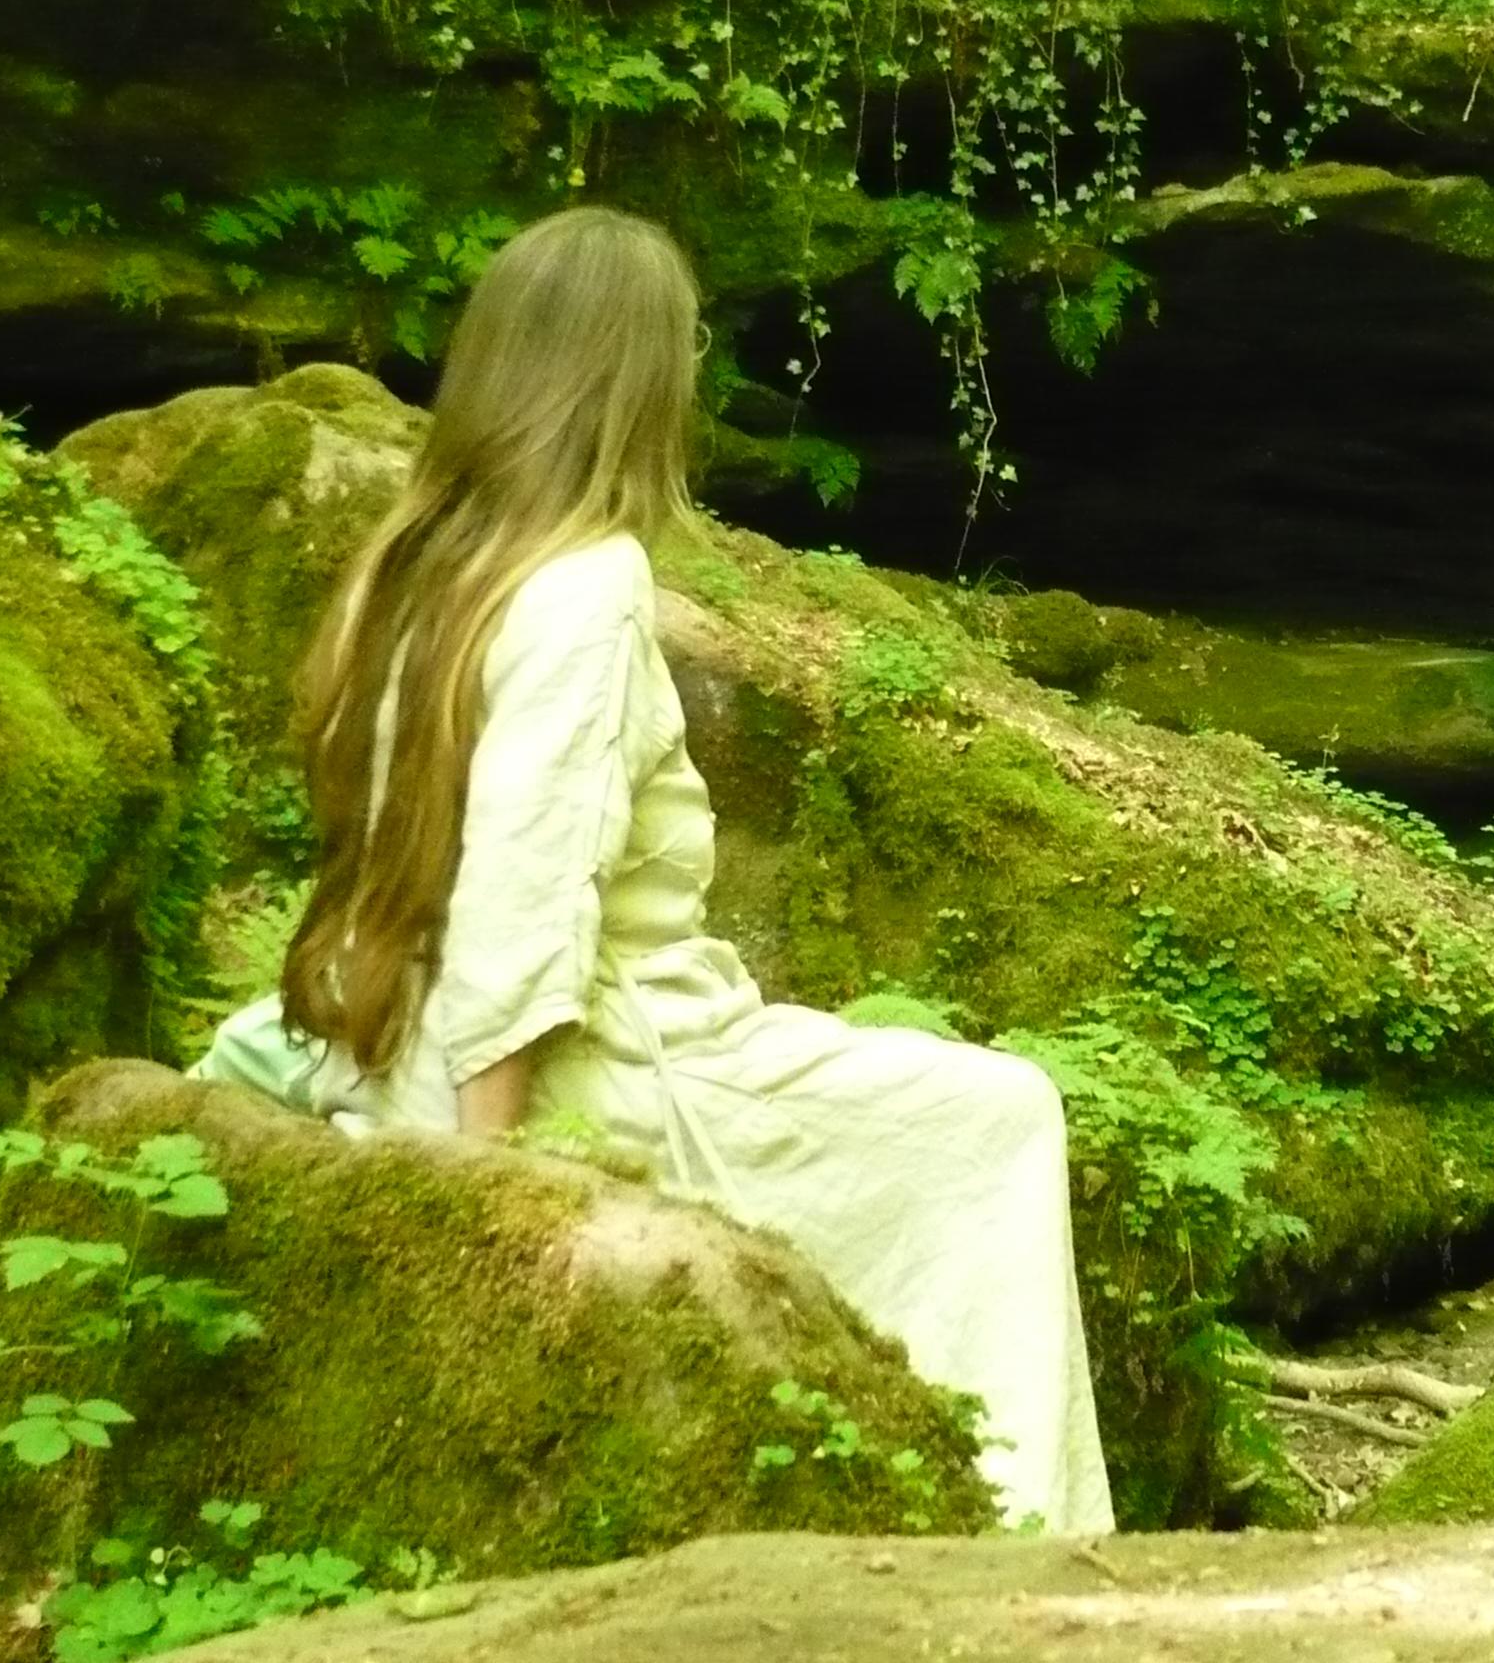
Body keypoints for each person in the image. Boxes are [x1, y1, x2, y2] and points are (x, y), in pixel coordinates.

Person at [190, 207, 1116, 1535]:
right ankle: (1015, 1542)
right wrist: (481, 1201)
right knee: (1000, 1118)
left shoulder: (406, 566)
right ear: (632, 384)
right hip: (611, 1072)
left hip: (390, 1037)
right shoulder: (586, 584)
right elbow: (521, 896)